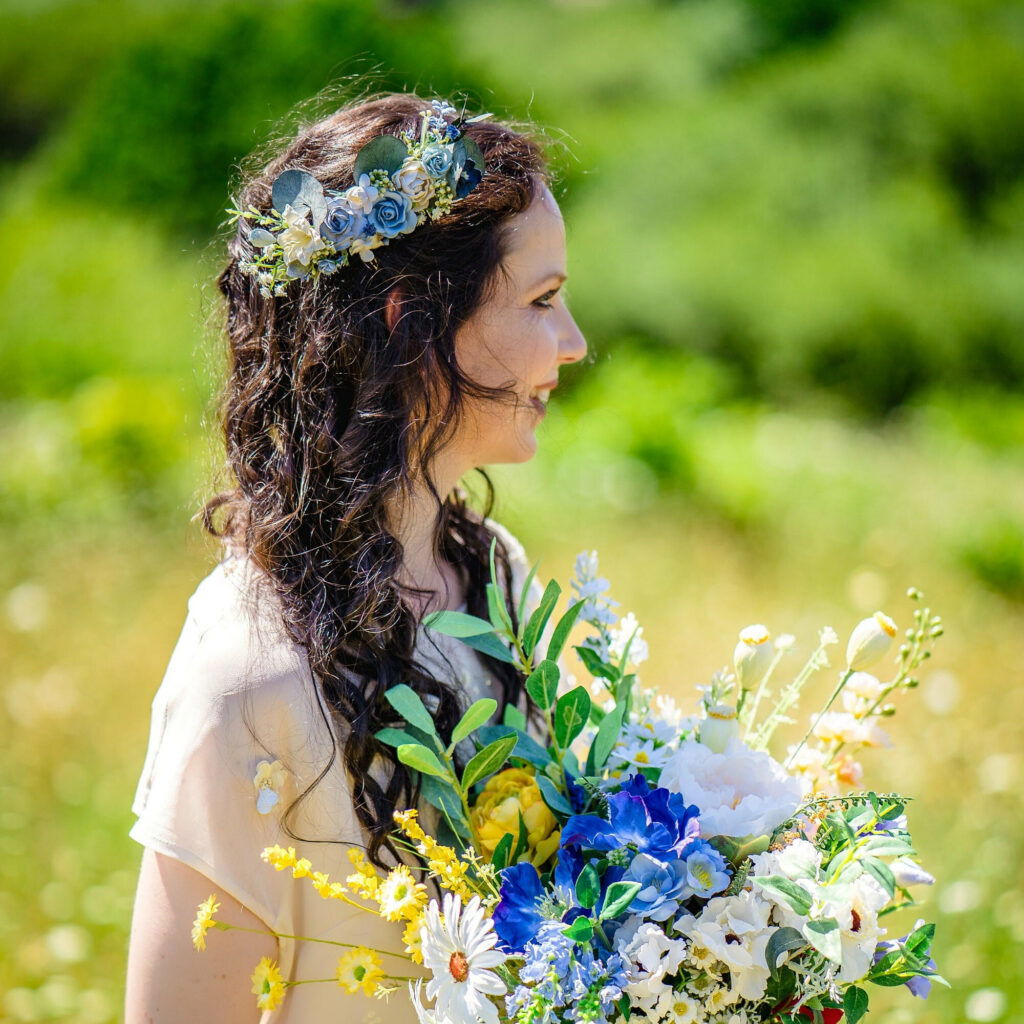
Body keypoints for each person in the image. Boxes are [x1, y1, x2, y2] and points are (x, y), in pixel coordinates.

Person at [123, 90, 588, 1023]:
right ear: (411, 319)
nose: (575, 344)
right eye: (542, 301)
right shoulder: (246, 678)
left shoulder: (495, 573)